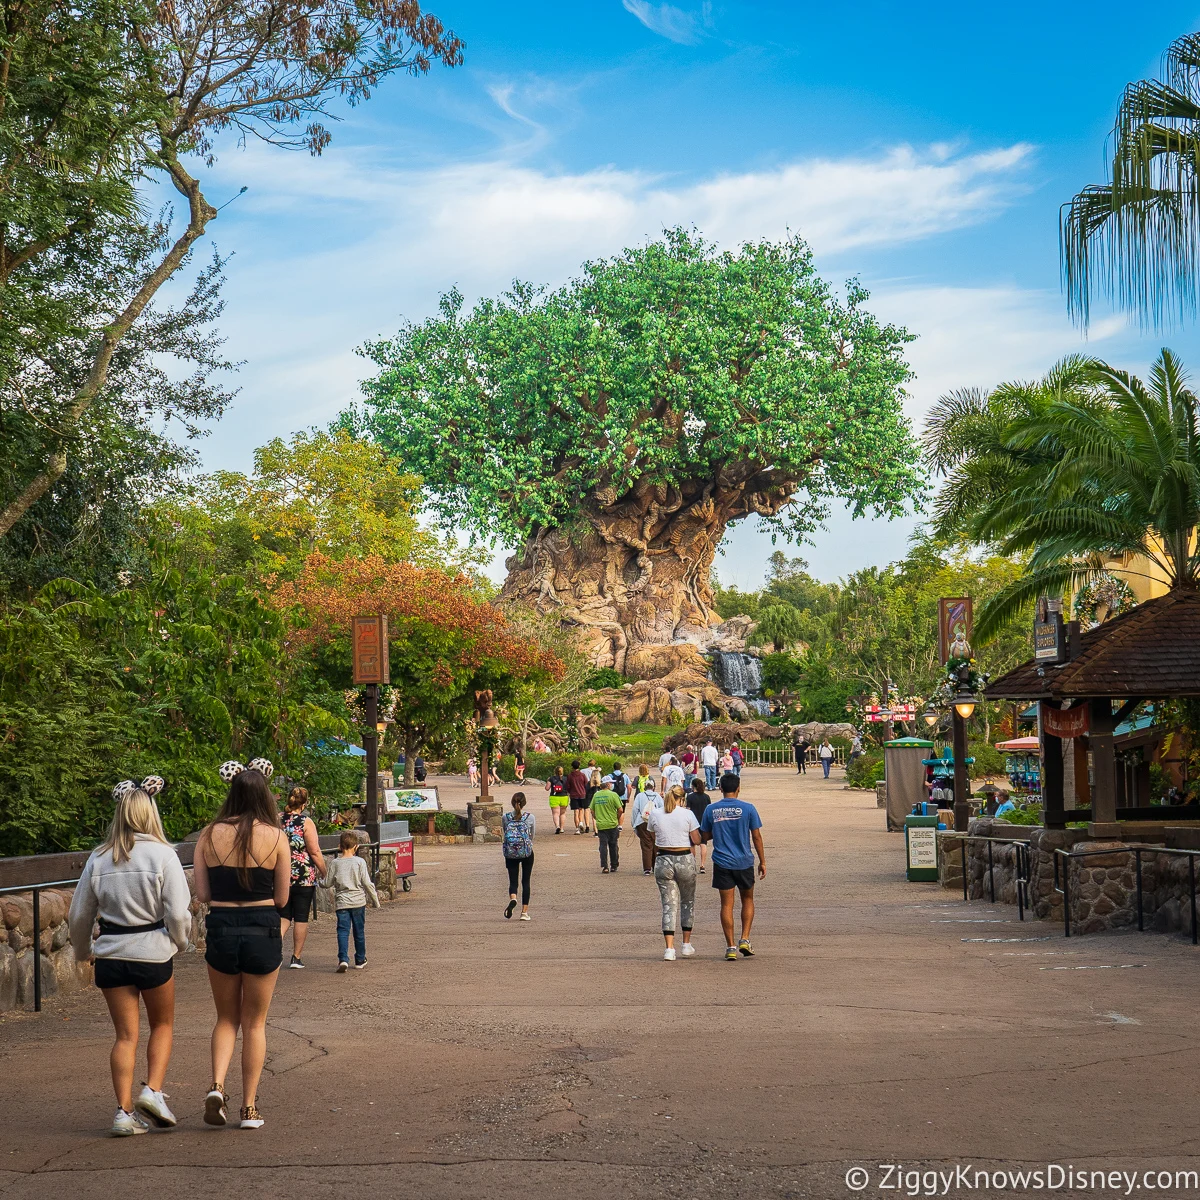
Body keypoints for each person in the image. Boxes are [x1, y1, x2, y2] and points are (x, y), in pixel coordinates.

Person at [69, 779, 190, 1137]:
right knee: (163, 1025)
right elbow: (179, 913)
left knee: (125, 1036)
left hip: (111, 953)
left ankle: (123, 1114)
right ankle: (152, 1091)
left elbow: (79, 915)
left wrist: (84, 952)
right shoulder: (164, 855)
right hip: (153, 951)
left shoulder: (99, 856)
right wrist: (178, 943)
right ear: (151, 813)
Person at [194, 759, 291, 1130]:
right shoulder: (276, 836)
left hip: (221, 927)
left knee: (225, 1018)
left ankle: (217, 1085)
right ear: (264, 795)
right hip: (262, 927)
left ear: (232, 793)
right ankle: (249, 1108)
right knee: (255, 1023)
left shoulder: (209, 834)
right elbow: (282, 898)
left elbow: (202, 893)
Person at [699, 772, 766, 961]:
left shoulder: (711, 810)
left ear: (720, 788)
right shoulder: (748, 808)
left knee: (726, 904)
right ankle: (745, 938)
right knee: (748, 900)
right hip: (743, 861)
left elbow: (704, 836)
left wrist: (719, 831)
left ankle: (730, 947)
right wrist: (762, 861)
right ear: (738, 788)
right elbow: (756, 836)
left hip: (722, 862)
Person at [645, 785, 701, 960]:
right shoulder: (687, 814)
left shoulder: (655, 813)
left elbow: (653, 834)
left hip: (663, 859)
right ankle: (686, 944)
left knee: (668, 904)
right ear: (681, 799)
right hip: (684, 857)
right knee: (687, 901)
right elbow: (697, 839)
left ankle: (669, 949)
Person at [278, 787, 326, 970]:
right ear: (304, 804)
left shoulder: (278, 819)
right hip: (304, 876)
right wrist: (324, 870)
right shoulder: (306, 822)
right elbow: (314, 851)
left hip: (281, 874)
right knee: (301, 917)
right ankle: (296, 958)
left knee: (283, 917)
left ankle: (274, 952)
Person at [321, 831, 380, 970]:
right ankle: (360, 959)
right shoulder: (360, 862)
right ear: (356, 847)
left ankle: (343, 959)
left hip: (342, 902)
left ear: (339, 846)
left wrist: (319, 883)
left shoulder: (335, 863)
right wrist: (375, 900)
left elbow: (328, 882)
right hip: (358, 901)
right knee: (359, 931)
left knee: (343, 931)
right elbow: (367, 883)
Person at [501, 793, 536, 918]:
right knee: (526, 881)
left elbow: (505, 832)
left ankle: (513, 898)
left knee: (513, 881)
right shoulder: (530, 817)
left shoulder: (506, 817)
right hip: (526, 852)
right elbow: (532, 835)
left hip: (510, 853)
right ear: (524, 803)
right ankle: (524, 912)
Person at [589, 776, 623, 873]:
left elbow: (591, 809)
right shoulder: (613, 795)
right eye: (611, 783)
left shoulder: (596, 795)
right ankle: (614, 865)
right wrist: (617, 817)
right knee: (613, 845)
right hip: (612, 823)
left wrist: (596, 817)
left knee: (603, 846)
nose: (612, 785)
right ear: (608, 784)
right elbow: (620, 809)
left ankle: (605, 866)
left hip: (601, 824)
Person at [630, 779, 663, 874]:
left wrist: (634, 824)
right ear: (653, 787)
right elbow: (662, 809)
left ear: (644, 786)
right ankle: (656, 867)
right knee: (656, 845)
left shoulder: (640, 796)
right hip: (656, 822)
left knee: (646, 845)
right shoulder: (658, 796)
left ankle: (647, 869)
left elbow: (635, 810)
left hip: (642, 822)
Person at [686, 776, 710, 874]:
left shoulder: (690, 796)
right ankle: (702, 865)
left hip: (693, 823)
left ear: (693, 786)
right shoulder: (706, 797)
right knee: (703, 844)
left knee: (692, 844)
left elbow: (688, 810)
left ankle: (693, 864)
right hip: (704, 822)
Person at [567, 759, 591, 834]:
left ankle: (577, 829)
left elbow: (568, 786)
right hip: (582, 794)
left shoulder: (570, 776)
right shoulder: (582, 775)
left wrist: (569, 792)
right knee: (581, 809)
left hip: (574, 795)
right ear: (579, 766)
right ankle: (581, 822)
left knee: (576, 811)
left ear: (572, 767)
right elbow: (586, 784)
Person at [545, 766, 569, 833]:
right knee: (563, 813)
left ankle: (557, 826)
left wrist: (548, 781)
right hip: (564, 797)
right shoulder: (566, 778)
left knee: (555, 813)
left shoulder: (551, 778)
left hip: (554, 797)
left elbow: (547, 788)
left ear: (554, 771)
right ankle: (562, 828)